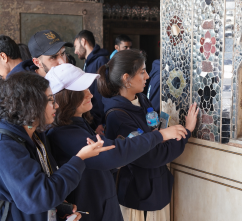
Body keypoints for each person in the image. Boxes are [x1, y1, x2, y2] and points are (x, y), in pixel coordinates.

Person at [45, 63, 188, 221]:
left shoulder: (78, 124)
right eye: (83, 91)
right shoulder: (64, 133)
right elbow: (112, 154)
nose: (90, 94)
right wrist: (159, 136)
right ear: (66, 98)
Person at [97, 49, 199, 221]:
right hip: (139, 196)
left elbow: (154, 129)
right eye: (142, 72)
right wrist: (187, 131)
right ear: (126, 78)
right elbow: (152, 155)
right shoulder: (118, 116)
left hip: (155, 189)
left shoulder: (141, 99)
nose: (148, 77)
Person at [0, 71, 115, 221]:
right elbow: (38, 197)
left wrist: (58, 207)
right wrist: (79, 159)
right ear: (30, 105)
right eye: (49, 100)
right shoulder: (6, 146)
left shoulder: (35, 133)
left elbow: (44, 186)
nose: (57, 105)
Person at [74, 30, 109, 134]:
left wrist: (99, 121)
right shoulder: (88, 63)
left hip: (100, 121)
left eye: (76, 46)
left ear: (83, 41)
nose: (75, 51)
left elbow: (102, 93)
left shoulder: (101, 61)